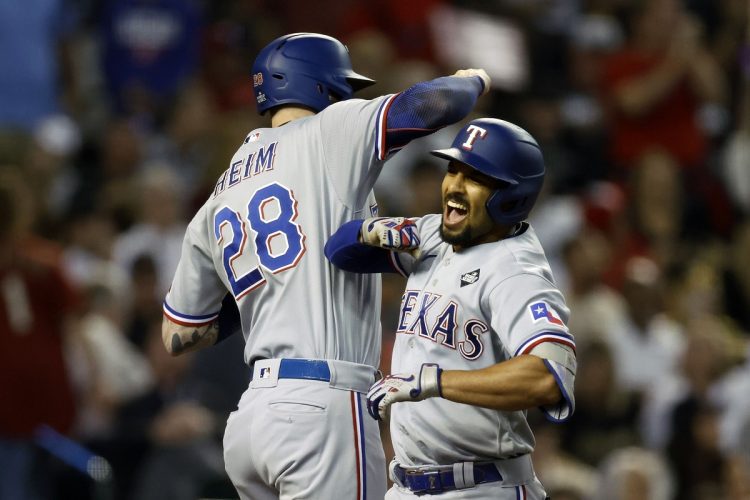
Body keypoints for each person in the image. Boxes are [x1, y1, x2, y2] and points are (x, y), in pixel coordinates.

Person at [161, 32, 490, 500]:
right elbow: (434, 103)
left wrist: (257, 293)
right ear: (321, 86)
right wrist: (473, 79)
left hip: (252, 418)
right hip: (322, 406)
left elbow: (177, 335)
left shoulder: (218, 195)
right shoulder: (329, 131)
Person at [325, 118, 577, 498]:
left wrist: (433, 382)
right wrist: (370, 232)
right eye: (453, 169)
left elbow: (547, 377)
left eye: (475, 177)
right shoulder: (437, 235)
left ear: (512, 196)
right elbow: (339, 251)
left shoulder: (515, 271)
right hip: (407, 486)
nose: (454, 186)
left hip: (482, 486)